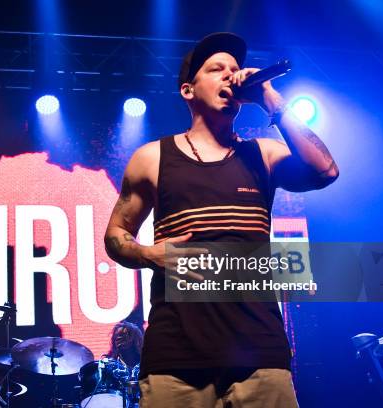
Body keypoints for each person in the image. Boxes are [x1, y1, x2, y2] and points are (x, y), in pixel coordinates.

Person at [104, 32, 338, 407]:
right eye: (217, 69)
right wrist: (150, 256)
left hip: (260, 354)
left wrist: (270, 99)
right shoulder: (152, 157)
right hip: (175, 357)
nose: (231, 75)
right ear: (188, 91)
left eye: (235, 69)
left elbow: (325, 170)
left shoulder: (263, 154)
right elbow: (116, 234)